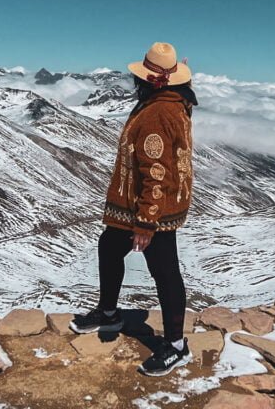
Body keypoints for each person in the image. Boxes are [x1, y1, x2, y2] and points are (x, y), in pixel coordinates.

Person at [70, 41, 198, 377]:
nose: (135, 83)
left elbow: (156, 173)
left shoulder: (157, 112)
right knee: (110, 246)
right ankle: (109, 312)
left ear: (150, 82)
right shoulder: (174, 100)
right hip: (137, 205)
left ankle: (175, 346)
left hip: (149, 207)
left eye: (140, 78)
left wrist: (146, 223)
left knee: (165, 271)